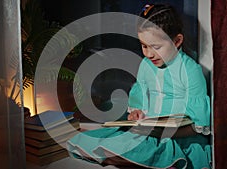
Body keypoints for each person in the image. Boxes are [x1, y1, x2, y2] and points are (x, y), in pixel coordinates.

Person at [67, 4, 211, 169]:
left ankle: (159, 160)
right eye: (144, 46)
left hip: (178, 137)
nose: (149, 54)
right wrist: (137, 114)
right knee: (88, 142)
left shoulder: (190, 70)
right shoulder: (146, 65)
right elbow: (141, 100)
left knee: (143, 149)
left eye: (156, 47)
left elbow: (198, 127)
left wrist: (160, 132)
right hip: (147, 131)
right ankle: (143, 161)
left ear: (177, 41)